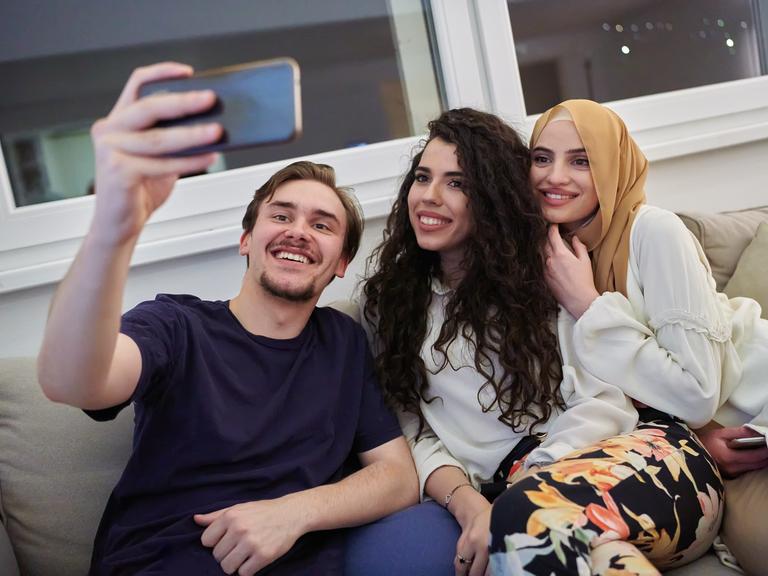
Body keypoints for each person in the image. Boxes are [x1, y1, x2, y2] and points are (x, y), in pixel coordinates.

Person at [37, 62, 418, 576]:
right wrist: (114, 227)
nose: (299, 231)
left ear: (341, 263)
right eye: (281, 216)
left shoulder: (342, 342)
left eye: (322, 224)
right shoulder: (175, 325)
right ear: (246, 241)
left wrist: (294, 513)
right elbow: (72, 382)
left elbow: (397, 478)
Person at [346, 108, 638, 576]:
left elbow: (602, 404)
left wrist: (521, 496)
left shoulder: (546, 276)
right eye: (423, 178)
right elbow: (412, 431)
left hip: (579, 465)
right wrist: (467, 503)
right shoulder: (387, 303)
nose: (430, 197)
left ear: (493, 199)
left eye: (457, 184)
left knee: (551, 546)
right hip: (485, 491)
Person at [489, 99, 766, 575]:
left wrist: (588, 305)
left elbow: (698, 393)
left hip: (749, 406)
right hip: (689, 439)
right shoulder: (550, 252)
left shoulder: (654, 232)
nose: (555, 176)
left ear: (613, 165)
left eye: (581, 160)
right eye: (541, 158)